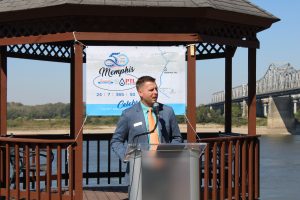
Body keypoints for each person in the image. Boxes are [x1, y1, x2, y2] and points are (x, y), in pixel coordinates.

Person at [111, 75, 183, 161]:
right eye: (151, 90)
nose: (155, 92)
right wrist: (127, 156)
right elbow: (116, 141)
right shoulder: (128, 114)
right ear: (140, 92)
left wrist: (169, 154)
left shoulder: (167, 111)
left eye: (156, 89)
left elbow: (177, 138)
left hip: (164, 167)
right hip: (138, 167)